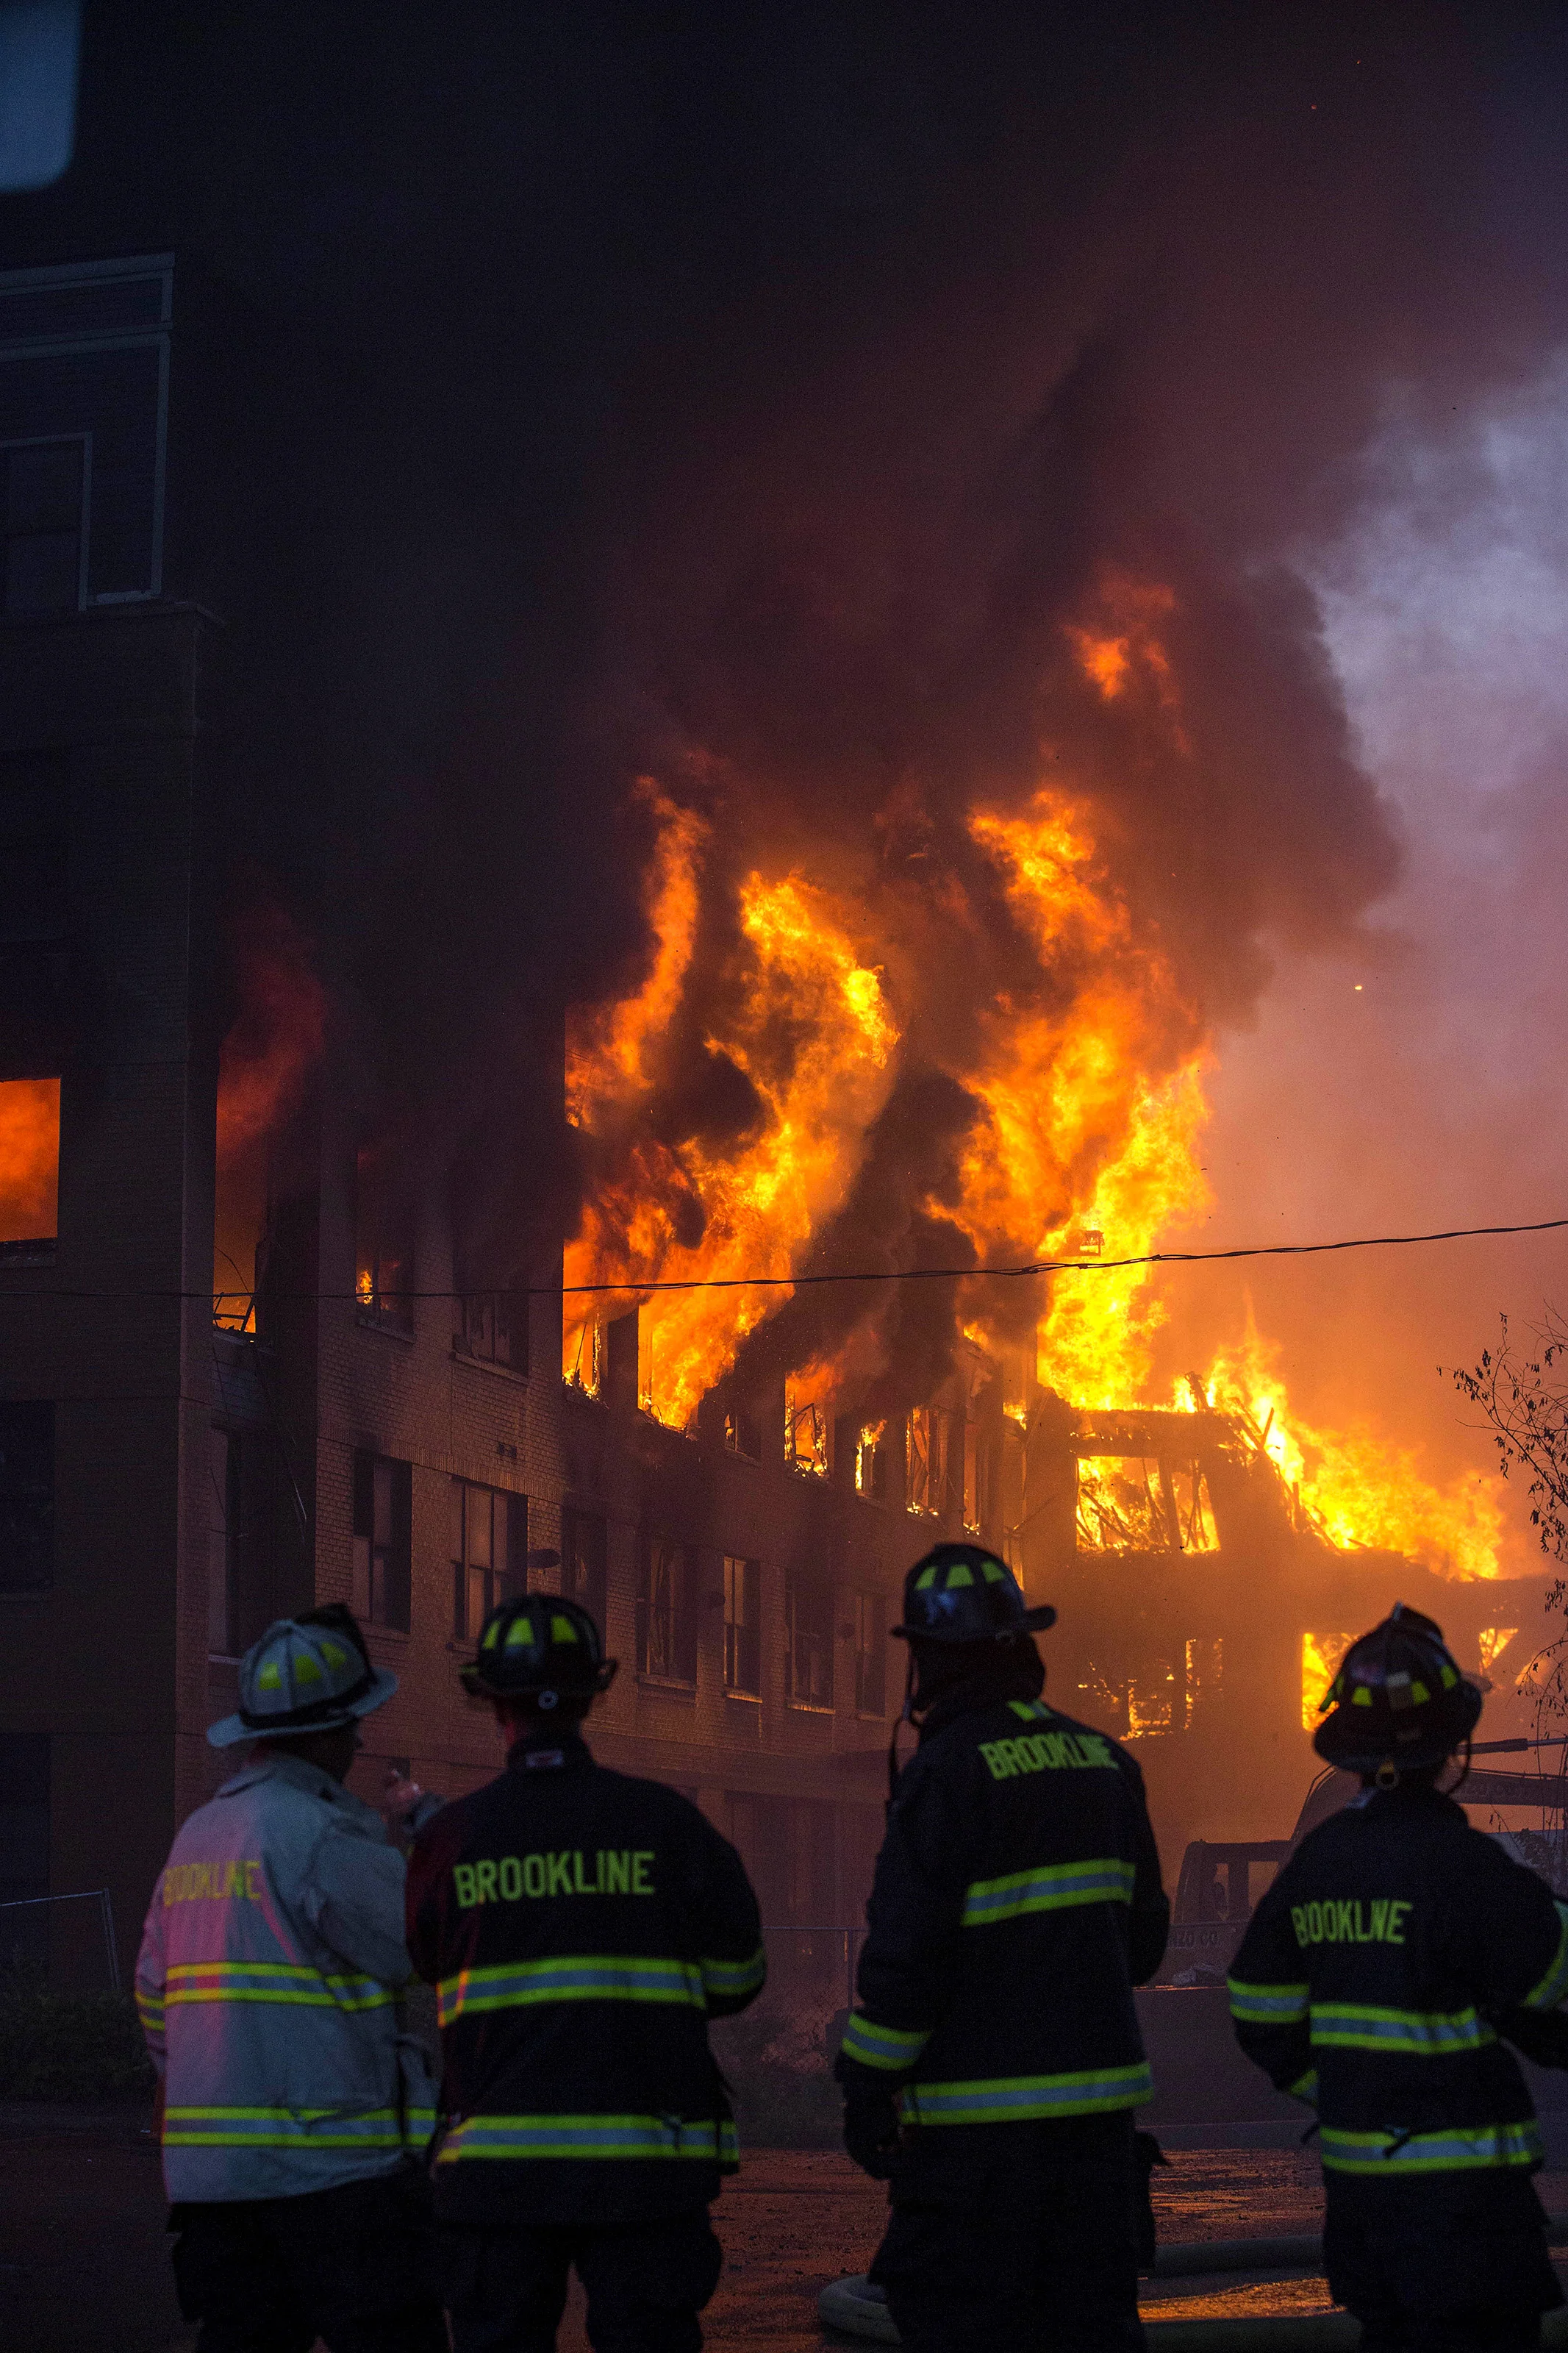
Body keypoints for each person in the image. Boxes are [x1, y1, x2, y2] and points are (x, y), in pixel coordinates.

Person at [406, 1591, 767, 2353]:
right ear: (593, 1695)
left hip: (497, 2178)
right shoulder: (667, 1824)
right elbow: (739, 1977)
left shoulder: (449, 1838)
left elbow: (429, 1972)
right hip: (645, 2168)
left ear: (491, 1699)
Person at [834, 1540, 1170, 2352]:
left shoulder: (946, 1773)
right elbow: (1146, 1946)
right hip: (1096, 2149)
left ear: (927, 1661)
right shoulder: (1106, 1762)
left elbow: (906, 1963)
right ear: (1022, 1643)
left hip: (973, 2156)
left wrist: (867, 2089)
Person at [1229, 1602, 1568, 2353]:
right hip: (1472, 2213)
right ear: (1453, 1742)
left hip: (1365, 2207)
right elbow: (1550, 1983)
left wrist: (1344, 2081)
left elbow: (1256, 2003)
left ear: (1349, 1745)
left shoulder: (1315, 1867)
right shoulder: (1469, 1867)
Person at [134, 1604, 446, 2353]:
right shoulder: (323, 1831)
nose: (360, 1739)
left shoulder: (197, 1836)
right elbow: (420, 1943)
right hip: (337, 2175)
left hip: (215, 2187)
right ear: (320, 1732)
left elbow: (154, 1996)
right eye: (350, 1724)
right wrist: (425, 1837)